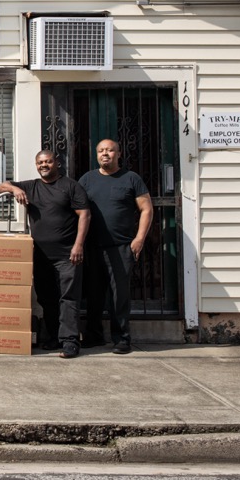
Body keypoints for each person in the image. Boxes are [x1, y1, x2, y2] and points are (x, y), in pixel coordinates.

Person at [0, 150, 90, 359]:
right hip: (41, 256)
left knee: (68, 298)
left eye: (48, 162)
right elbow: (0, 186)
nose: (44, 165)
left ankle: (70, 342)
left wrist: (78, 245)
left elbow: (85, 214)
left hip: (68, 255)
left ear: (56, 163)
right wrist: (14, 189)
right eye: (40, 163)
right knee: (46, 298)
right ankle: (54, 337)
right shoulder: (31, 186)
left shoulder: (71, 186)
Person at [79, 139, 154, 355]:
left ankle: (122, 339)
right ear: (96, 155)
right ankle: (93, 336)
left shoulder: (131, 179)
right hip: (92, 246)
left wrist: (139, 238)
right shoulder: (87, 179)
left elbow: (146, 209)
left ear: (118, 154)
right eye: (101, 151)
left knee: (119, 295)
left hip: (121, 247)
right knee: (93, 293)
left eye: (110, 150)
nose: (105, 154)